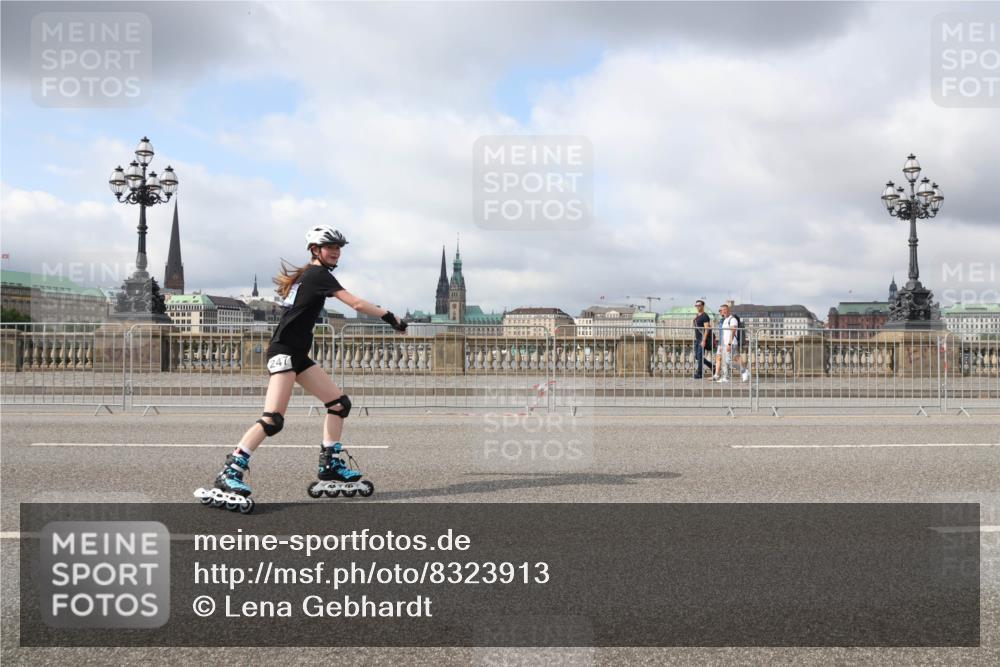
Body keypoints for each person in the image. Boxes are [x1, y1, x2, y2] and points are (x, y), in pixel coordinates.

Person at [196, 225, 407, 512]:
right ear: (315, 250)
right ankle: (231, 471)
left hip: (298, 354)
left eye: (338, 248)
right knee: (272, 420)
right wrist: (391, 317)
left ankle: (330, 464)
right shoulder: (317, 275)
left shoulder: (313, 275)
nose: (335, 251)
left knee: (339, 404)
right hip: (284, 352)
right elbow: (355, 302)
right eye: (330, 247)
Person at [692, 300, 714, 379]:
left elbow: (707, 329)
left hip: (702, 338)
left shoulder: (705, 316)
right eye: (696, 305)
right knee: (697, 357)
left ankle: (699, 373)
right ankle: (712, 366)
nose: (697, 306)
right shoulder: (698, 315)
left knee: (700, 356)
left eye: (699, 305)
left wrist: (704, 340)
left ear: (703, 306)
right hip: (697, 339)